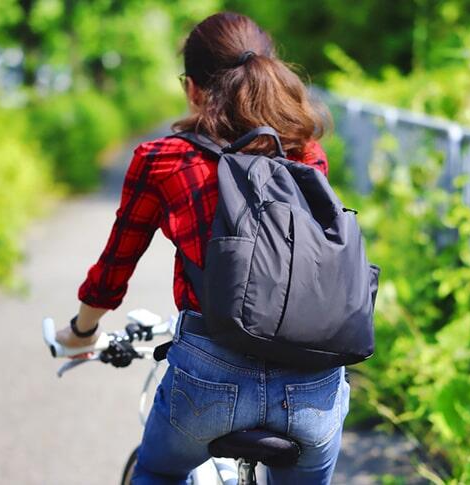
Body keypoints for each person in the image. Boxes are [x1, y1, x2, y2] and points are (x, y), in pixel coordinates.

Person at [55, 12, 348, 484]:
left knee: (158, 471)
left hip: (208, 380)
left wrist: (81, 332)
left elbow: (114, 270)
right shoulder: (305, 153)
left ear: (192, 88)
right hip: (311, 387)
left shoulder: (163, 161)